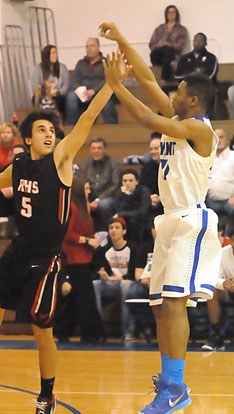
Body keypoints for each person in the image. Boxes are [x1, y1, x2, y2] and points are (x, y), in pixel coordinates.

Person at [99, 22, 221, 414]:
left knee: (174, 304)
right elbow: (147, 76)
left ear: (195, 101)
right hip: (168, 221)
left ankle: (175, 386)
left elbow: (151, 121)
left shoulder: (198, 131)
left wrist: (116, 88)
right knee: (158, 304)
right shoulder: (179, 116)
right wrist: (121, 40)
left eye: (182, 90)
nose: (175, 92)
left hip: (190, 220)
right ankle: (170, 382)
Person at [0, 78, 114, 413]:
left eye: (52, 129)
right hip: (18, 251)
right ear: (27, 137)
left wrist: (110, 86)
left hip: (47, 258)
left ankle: (47, 395)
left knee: (40, 329)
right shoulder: (18, 166)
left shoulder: (61, 161)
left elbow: (88, 118)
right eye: (41, 129)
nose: (49, 134)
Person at [54, 176, 105, 343]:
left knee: (77, 298)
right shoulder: (73, 208)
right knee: (85, 298)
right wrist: (87, 240)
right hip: (74, 259)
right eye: (86, 189)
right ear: (78, 190)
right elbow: (67, 234)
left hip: (84, 257)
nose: (89, 191)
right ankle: (90, 333)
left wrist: (92, 239)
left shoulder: (84, 208)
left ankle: (63, 330)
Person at [92, 216, 136, 340]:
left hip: (128, 283)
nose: (113, 230)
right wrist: (102, 275)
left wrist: (110, 278)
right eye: (111, 228)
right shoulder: (105, 251)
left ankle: (128, 331)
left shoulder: (131, 248)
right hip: (112, 284)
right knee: (95, 284)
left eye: (117, 228)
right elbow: (102, 272)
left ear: (124, 231)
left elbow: (131, 276)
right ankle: (99, 330)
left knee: (125, 285)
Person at [65, 37, 118, 125]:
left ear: (98, 47)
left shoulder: (106, 62)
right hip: (83, 94)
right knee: (71, 97)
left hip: (100, 93)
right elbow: (74, 80)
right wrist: (80, 89)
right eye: (87, 47)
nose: (89, 49)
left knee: (107, 103)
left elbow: (109, 80)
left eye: (92, 46)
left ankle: (111, 130)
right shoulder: (80, 63)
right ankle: (72, 129)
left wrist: (94, 90)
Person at [202, 221, 234, 351]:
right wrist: (224, 284)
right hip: (228, 291)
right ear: (230, 239)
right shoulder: (222, 253)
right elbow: (212, 277)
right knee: (212, 289)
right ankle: (215, 334)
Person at [78, 136, 121, 229]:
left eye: (99, 148)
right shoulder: (85, 165)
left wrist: (98, 200)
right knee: (78, 205)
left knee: (104, 205)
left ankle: (108, 232)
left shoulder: (113, 163)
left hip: (108, 197)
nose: (96, 151)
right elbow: (81, 183)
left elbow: (115, 184)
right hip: (90, 196)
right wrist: (87, 201)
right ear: (90, 150)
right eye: (93, 148)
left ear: (104, 149)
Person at [149, 5, 187, 81]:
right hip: (157, 56)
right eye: (169, 12)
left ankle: (164, 79)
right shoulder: (159, 28)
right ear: (166, 14)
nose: (171, 14)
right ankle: (171, 62)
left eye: (173, 12)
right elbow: (151, 45)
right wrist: (160, 44)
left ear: (177, 14)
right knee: (165, 49)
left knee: (167, 54)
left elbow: (181, 45)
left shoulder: (181, 29)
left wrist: (169, 45)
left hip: (172, 55)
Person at [113, 168, 152, 243]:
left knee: (134, 223)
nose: (127, 183)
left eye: (130, 180)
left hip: (142, 220)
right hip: (126, 220)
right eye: (125, 181)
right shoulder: (119, 193)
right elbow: (119, 210)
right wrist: (127, 196)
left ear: (136, 182)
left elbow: (142, 212)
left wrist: (123, 214)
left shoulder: (144, 191)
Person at [31, 45, 69, 119]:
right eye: (53, 53)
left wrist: (59, 92)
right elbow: (35, 86)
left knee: (60, 99)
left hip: (57, 94)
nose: (56, 55)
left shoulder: (62, 67)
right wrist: (46, 92)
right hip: (43, 94)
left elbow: (66, 84)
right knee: (35, 98)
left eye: (56, 53)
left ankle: (59, 121)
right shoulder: (38, 69)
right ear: (47, 55)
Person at [206, 128, 234, 218]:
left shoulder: (233, 156)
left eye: (221, 137)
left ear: (227, 140)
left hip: (230, 202)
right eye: (216, 138)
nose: (219, 140)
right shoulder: (207, 158)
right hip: (210, 201)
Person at [139, 134, 163, 217]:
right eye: (151, 149)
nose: (153, 152)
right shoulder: (146, 167)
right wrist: (149, 197)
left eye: (156, 148)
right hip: (150, 201)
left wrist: (161, 198)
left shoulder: (173, 166)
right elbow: (142, 187)